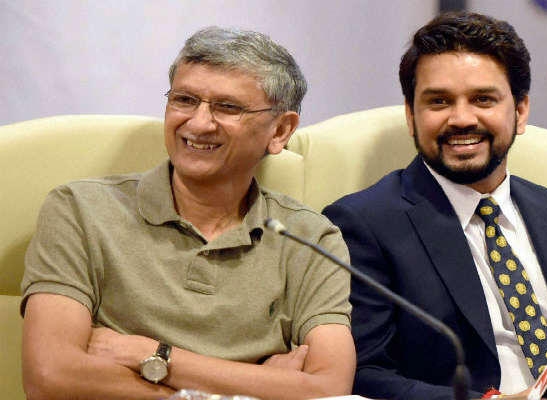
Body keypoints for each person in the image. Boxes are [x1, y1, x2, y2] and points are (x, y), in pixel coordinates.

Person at [21, 27, 355, 400]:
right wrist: (254, 387)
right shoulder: (79, 210)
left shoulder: (310, 237)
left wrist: (153, 355)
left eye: (227, 107)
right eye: (184, 100)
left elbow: (329, 388)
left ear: (280, 130)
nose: (198, 123)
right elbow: (50, 376)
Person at [323, 11, 547, 400]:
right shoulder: (362, 225)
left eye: (482, 99)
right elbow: (366, 375)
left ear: (520, 111)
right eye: (439, 101)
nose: (461, 118)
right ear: (411, 116)